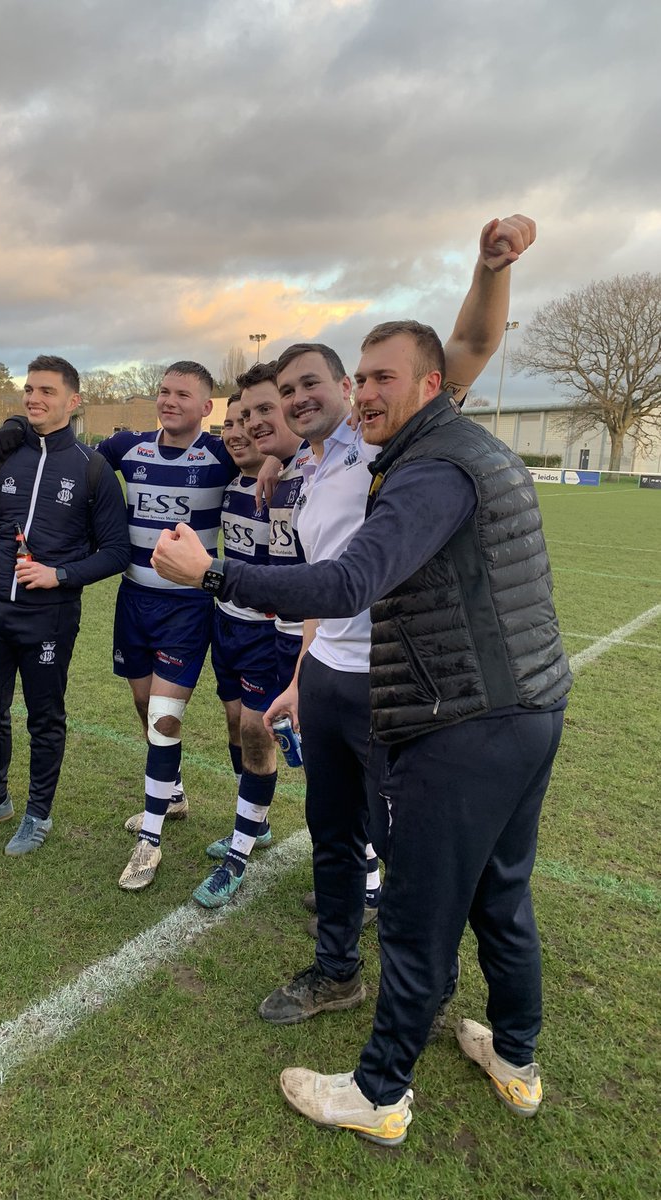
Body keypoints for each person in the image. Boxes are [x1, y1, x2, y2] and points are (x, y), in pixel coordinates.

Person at [250, 216, 538, 1027]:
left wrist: (490, 270)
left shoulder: (386, 436)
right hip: (334, 681)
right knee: (332, 838)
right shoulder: (303, 470)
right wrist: (304, 678)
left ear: (351, 389)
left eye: (316, 384)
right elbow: (325, 590)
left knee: (412, 853)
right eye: (286, 392)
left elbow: (469, 346)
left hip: (403, 686)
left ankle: (425, 993)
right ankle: (336, 970)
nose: (301, 398)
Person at [0, 355, 130, 855]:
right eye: (29, 389)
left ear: (73, 402)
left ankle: (38, 813)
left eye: (46, 391)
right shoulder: (1, 457)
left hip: (49, 618)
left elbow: (117, 551)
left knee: (45, 716)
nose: (33, 398)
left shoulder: (93, 469)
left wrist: (59, 575)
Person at [97, 362, 241, 892]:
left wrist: (270, 466)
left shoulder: (222, 456)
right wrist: (10, 432)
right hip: (133, 600)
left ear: (207, 407)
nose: (169, 400)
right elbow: (69, 456)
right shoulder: (127, 448)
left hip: (188, 607)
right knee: (142, 705)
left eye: (184, 394)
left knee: (162, 715)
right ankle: (173, 792)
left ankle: (150, 841)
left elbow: (276, 455)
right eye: (164, 391)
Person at [195, 391, 278, 906]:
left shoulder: (293, 479)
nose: (239, 430)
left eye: (251, 420)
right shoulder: (228, 475)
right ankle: (257, 820)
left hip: (270, 632)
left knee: (255, 731)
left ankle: (239, 853)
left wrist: (277, 458)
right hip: (226, 621)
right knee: (234, 724)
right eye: (231, 422)